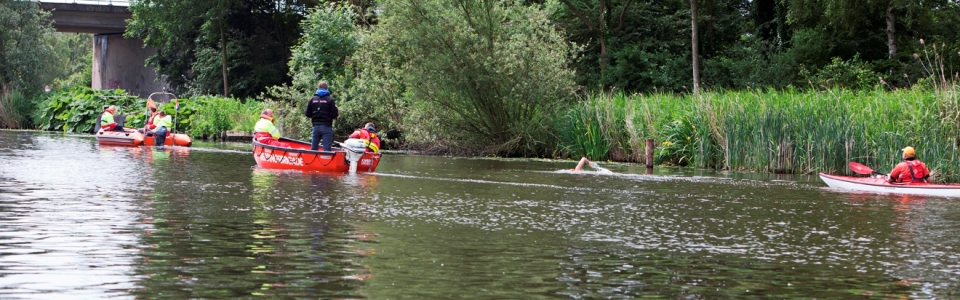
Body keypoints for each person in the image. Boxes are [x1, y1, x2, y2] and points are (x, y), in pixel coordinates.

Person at [304, 81, 339, 151]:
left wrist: (315, 116)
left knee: (313, 149)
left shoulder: (312, 99)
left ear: (318, 88)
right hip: (326, 127)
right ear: (327, 89)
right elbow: (335, 114)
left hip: (316, 127)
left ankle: (313, 161)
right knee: (327, 150)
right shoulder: (330, 100)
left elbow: (307, 114)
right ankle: (326, 161)